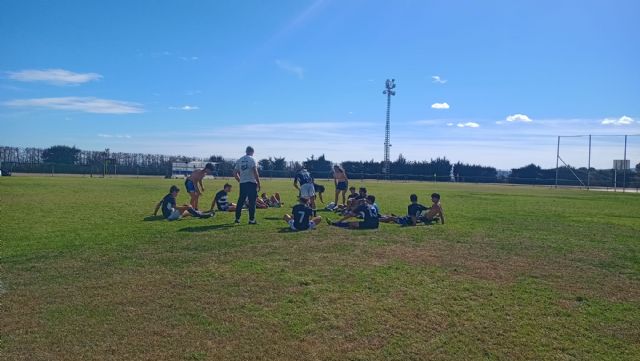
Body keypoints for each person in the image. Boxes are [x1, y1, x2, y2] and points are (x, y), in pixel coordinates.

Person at [233, 146, 261, 224]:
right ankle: (251, 220)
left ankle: (237, 219)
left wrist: (240, 180)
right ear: (252, 152)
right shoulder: (253, 159)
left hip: (243, 183)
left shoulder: (240, 160)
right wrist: (258, 182)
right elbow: (255, 172)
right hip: (251, 183)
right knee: (252, 202)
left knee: (241, 201)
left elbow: (234, 173)